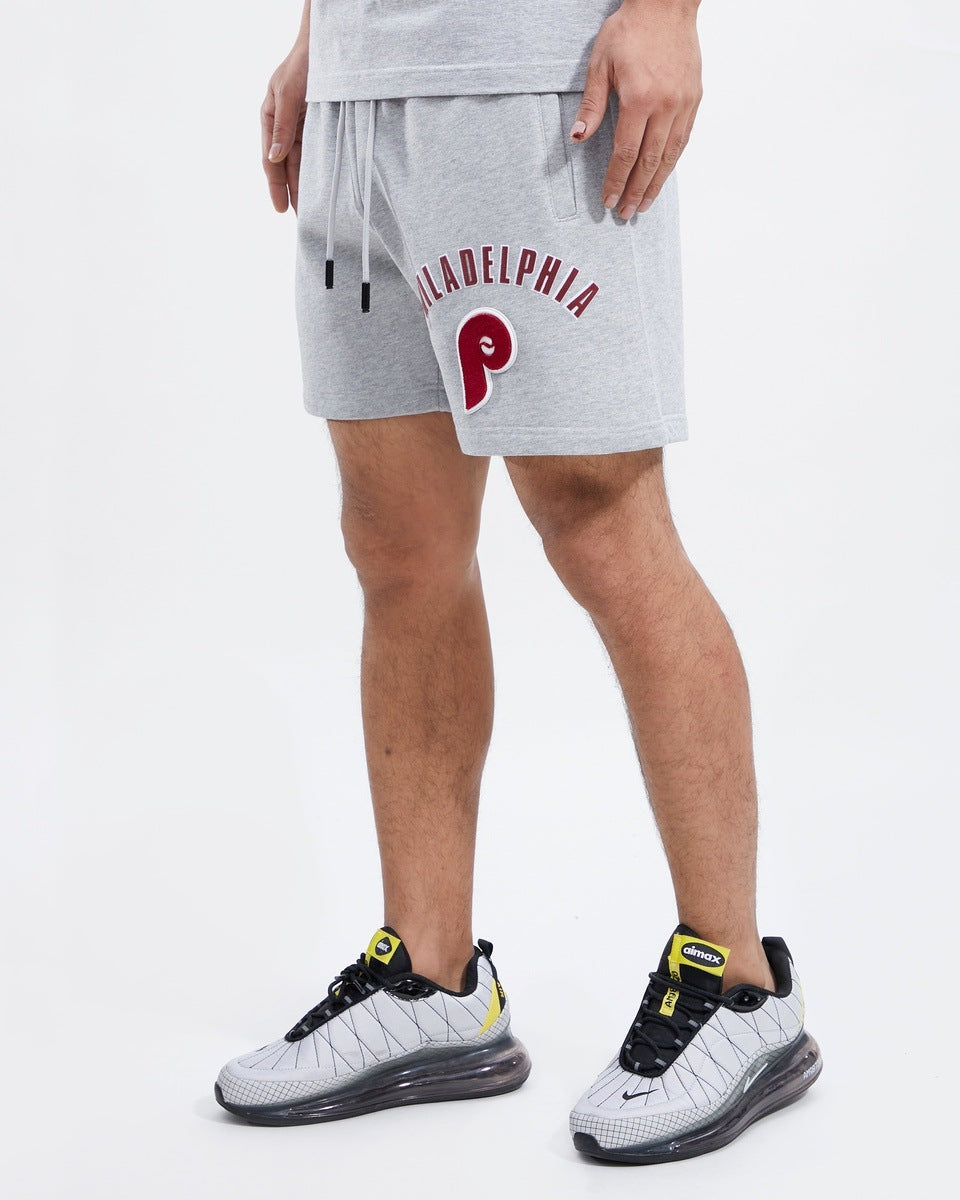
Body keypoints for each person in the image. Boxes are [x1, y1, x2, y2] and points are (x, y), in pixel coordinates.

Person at [214, 0, 822, 1162]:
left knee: (601, 525)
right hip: (360, 98)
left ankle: (738, 984)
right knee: (397, 548)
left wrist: (666, 11)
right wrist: (316, 38)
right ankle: (432, 979)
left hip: (537, 81)